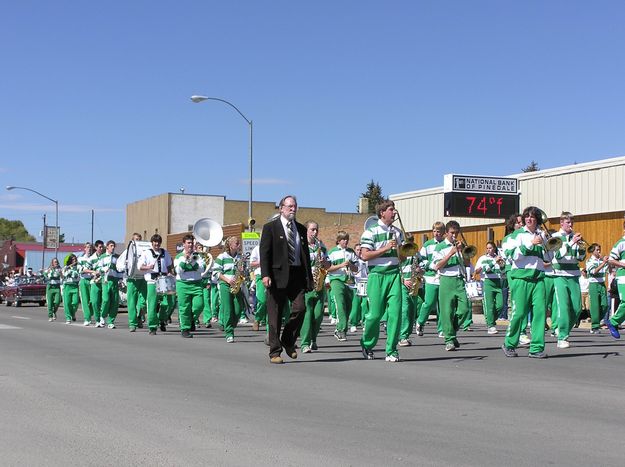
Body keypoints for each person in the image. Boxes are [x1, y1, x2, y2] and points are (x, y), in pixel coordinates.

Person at [259, 195, 313, 364]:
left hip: (296, 275)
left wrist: (308, 277)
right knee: (275, 314)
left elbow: (305, 256)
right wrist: (265, 274)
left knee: (300, 308)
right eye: (289, 206)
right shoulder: (271, 228)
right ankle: (275, 352)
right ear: (281, 208)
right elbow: (264, 253)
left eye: (295, 206)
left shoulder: (301, 229)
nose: (292, 209)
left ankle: (288, 340)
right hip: (276, 276)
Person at [359, 199, 404, 362]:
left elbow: (402, 257)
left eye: (394, 209)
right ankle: (367, 343)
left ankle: (391, 350)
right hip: (377, 275)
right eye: (391, 209)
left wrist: (403, 251)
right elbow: (364, 255)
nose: (394, 212)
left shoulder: (398, 232)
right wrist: (385, 248)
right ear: (382, 213)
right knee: (375, 314)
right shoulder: (370, 232)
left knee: (395, 314)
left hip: (394, 274)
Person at [501, 206, 548, 358]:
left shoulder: (542, 235)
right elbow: (512, 255)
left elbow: (549, 257)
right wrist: (531, 244)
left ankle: (536, 348)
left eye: (532, 217)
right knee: (519, 313)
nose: (529, 219)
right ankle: (509, 343)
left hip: (539, 278)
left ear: (537, 219)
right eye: (526, 216)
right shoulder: (516, 235)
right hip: (521, 278)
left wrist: (550, 245)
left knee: (540, 313)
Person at [432, 220, 470, 351]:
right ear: (446, 233)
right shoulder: (440, 247)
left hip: (459, 280)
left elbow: (467, 263)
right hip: (446, 280)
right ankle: (449, 339)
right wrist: (451, 252)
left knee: (464, 309)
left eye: (456, 233)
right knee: (446, 312)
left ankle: (451, 332)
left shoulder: (460, 245)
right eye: (452, 233)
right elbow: (437, 265)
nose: (455, 236)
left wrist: (463, 250)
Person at [551, 212, 586, 348]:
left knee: (577, 308)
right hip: (559, 275)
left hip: (574, 275)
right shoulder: (555, 237)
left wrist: (581, 248)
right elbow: (558, 255)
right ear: (561, 223)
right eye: (568, 222)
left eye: (572, 222)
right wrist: (571, 242)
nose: (570, 225)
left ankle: (563, 329)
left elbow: (580, 258)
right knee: (563, 307)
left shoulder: (574, 238)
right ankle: (562, 337)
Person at [300, 221, 330, 353]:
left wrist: (325, 262)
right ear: (306, 231)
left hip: (319, 284)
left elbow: (329, 264)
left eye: (316, 230)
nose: (315, 232)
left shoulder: (321, 246)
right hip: (306, 284)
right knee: (307, 314)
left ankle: (313, 338)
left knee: (318, 315)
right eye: (312, 230)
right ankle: (305, 343)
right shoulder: (300, 246)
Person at [138, 234, 174, 335]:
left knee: (167, 303)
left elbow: (169, 265)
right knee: (152, 304)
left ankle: (162, 319)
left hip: (163, 280)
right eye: (155, 242)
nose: (157, 244)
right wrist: (148, 267)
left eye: (158, 242)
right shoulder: (146, 253)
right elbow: (139, 266)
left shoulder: (165, 253)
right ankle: (152, 326)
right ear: (152, 242)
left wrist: (170, 272)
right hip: (152, 281)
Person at [326, 231, 358, 342]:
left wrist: (350, 265)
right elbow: (328, 268)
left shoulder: (351, 252)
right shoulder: (332, 252)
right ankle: (341, 329)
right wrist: (341, 265)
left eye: (347, 239)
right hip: (336, 280)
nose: (345, 241)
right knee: (340, 304)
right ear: (338, 240)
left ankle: (340, 329)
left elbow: (356, 268)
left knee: (348, 306)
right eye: (343, 239)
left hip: (349, 281)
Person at [214, 236, 246, 343]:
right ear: (230, 245)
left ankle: (230, 325)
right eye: (237, 243)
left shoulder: (240, 257)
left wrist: (241, 271)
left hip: (236, 284)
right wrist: (228, 280)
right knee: (227, 309)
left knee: (238, 309)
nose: (239, 245)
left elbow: (243, 273)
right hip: (225, 284)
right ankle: (229, 333)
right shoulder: (221, 257)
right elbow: (216, 273)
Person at [416, 222, 445, 337]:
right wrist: (431, 266)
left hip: (443, 276)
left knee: (442, 304)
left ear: (443, 232)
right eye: (434, 231)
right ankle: (420, 322)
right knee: (429, 302)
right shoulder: (427, 245)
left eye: (438, 231)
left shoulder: (446, 244)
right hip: (430, 276)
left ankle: (441, 329)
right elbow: (421, 260)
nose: (436, 233)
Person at [174, 234, 206, 338]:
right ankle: (185, 329)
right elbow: (178, 271)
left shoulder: (198, 256)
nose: (190, 245)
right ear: (184, 244)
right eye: (188, 243)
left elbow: (202, 269)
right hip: (183, 284)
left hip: (196, 283)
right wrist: (185, 260)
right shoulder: (178, 257)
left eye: (192, 243)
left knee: (199, 305)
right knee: (184, 308)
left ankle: (191, 318)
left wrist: (192, 261)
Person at [474, 242, 505, 335]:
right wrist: (494, 261)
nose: (489, 250)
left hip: (498, 282)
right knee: (489, 305)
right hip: (487, 282)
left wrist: (501, 264)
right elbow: (484, 269)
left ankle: (491, 319)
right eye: (487, 248)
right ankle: (490, 325)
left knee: (500, 305)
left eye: (490, 248)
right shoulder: (483, 258)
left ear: (494, 248)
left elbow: (503, 271)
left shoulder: (499, 257)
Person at [398, 249, 424, 347]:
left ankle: (407, 334)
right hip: (403, 283)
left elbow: (423, 266)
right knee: (405, 309)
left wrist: (420, 270)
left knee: (412, 311)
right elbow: (395, 268)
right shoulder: (400, 252)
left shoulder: (417, 254)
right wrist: (403, 280)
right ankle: (403, 336)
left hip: (414, 283)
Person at [606, 221, 625, 339]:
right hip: (623, 275)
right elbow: (611, 260)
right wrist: (623, 264)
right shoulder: (621, 243)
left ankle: (613, 322)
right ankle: (613, 322)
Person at [126, 233, 148, 331]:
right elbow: (119, 265)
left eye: (139, 239)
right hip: (132, 279)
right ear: (132, 240)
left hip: (143, 279)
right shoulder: (128, 251)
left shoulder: (145, 251)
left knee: (143, 301)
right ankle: (132, 323)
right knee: (131, 302)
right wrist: (127, 267)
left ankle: (139, 317)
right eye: (136, 239)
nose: (138, 240)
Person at [586, 243, 609, 334]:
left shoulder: (601, 260)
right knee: (595, 306)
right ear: (592, 251)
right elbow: (593, 272)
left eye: (599, 250)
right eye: (597, 250)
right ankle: (595, 326)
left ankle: (596, 321)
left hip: (602, 283)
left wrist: (608, 262)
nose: (599, 252)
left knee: (605, 305)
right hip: (593, 284)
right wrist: (603, 263)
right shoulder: (589, 261)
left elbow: (608, 269)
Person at [100, 240, 122, 329]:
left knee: (115, 301)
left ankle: (111, 321)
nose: (113, 247)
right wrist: (103, 269)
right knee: (105, 300)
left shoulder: (117, 257)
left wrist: (120, 280)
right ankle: (102, 316)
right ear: (107, 247)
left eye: (114, 246)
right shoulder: (102, 257)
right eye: (111, 246)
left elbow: (120, 270)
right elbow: (98, 268)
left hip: (115, 281)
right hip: (106, 281)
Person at [84, 240, 106, 327]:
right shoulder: (91, 258)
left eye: (102, 247)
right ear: (96, 248)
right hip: (95, 282)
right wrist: (94, 271)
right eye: (100, 247)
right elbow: (85, 269)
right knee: (94, 301)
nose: (101, 248)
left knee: (105, 300)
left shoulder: (105, 257)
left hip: (104, 282)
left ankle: (102, 317)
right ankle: (97, 320)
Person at [349, 243, 369, 333]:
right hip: (356, 285)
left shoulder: (367, 260)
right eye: (357, 250)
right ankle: (353, 323)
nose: (359, 251)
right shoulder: (354, 261)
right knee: (355, 305)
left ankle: (364, 323)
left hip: (366, 284)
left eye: (361, 250)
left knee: (365, 305)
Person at [249, 244, 266, 331]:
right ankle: (257, 319)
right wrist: (262, 261)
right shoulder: (257, 248)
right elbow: (251, 263)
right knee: (262, 300)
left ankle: (270, 325)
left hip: (274, 275)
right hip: (260, 274)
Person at [77, 242, 94, 326]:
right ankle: (87, 318)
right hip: (84, 280)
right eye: (87, 247)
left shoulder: (94, 258)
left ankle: (90, 313)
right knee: (85, 300)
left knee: (93, 300)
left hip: (93, 280)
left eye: (90, 247)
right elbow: (81, 270)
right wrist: (93, 271)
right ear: (84, 248)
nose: (89, 249)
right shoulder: (80, 259)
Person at [61, 254, 81, 324]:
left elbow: (81, 272)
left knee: (75, 303)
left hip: (75, 286)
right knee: (67, 303)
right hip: (67, 286)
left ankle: (73, 313)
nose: (74, 260)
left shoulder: (78, 267)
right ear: (70, 260)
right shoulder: (66, 267)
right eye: (73, 259)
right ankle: (68, 317)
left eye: (75, 259)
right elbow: (62, 275)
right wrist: (69, 267)